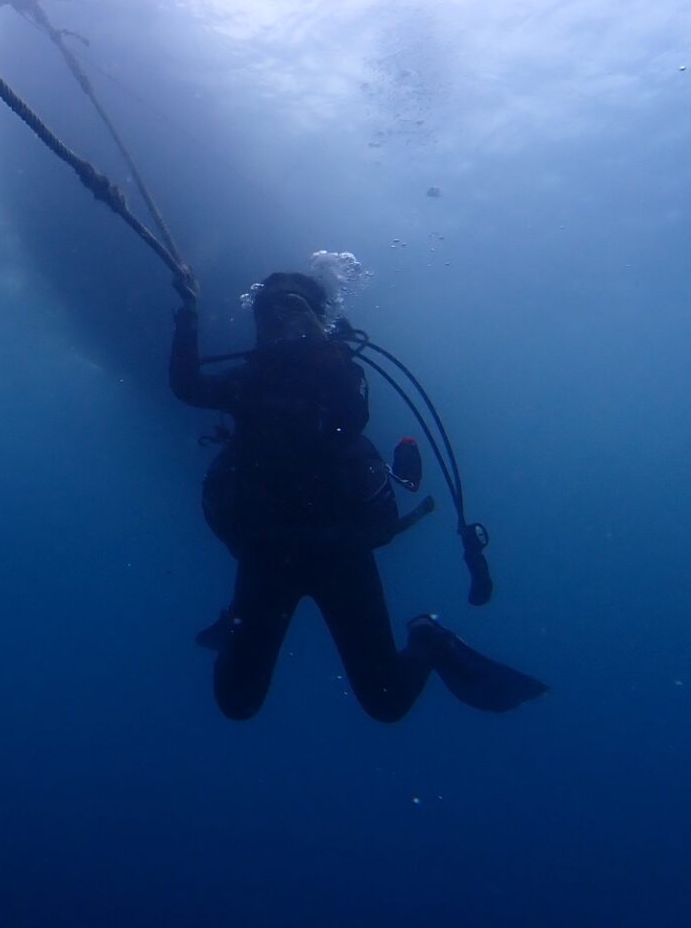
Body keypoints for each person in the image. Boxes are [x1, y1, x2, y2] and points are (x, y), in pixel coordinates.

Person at [170, 269, 546, 721]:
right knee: (237, 702)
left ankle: (427, 639)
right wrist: (187, 318)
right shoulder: (247, 382)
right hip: (268, 553)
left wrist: (323, 352)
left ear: (318, 318)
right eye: (269, 313)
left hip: (340, 550)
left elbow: (352, 417)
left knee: (386, 702)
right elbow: (188, 386)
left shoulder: (339, 372)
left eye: (294, 307)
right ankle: (237, 625)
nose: (281, 318)